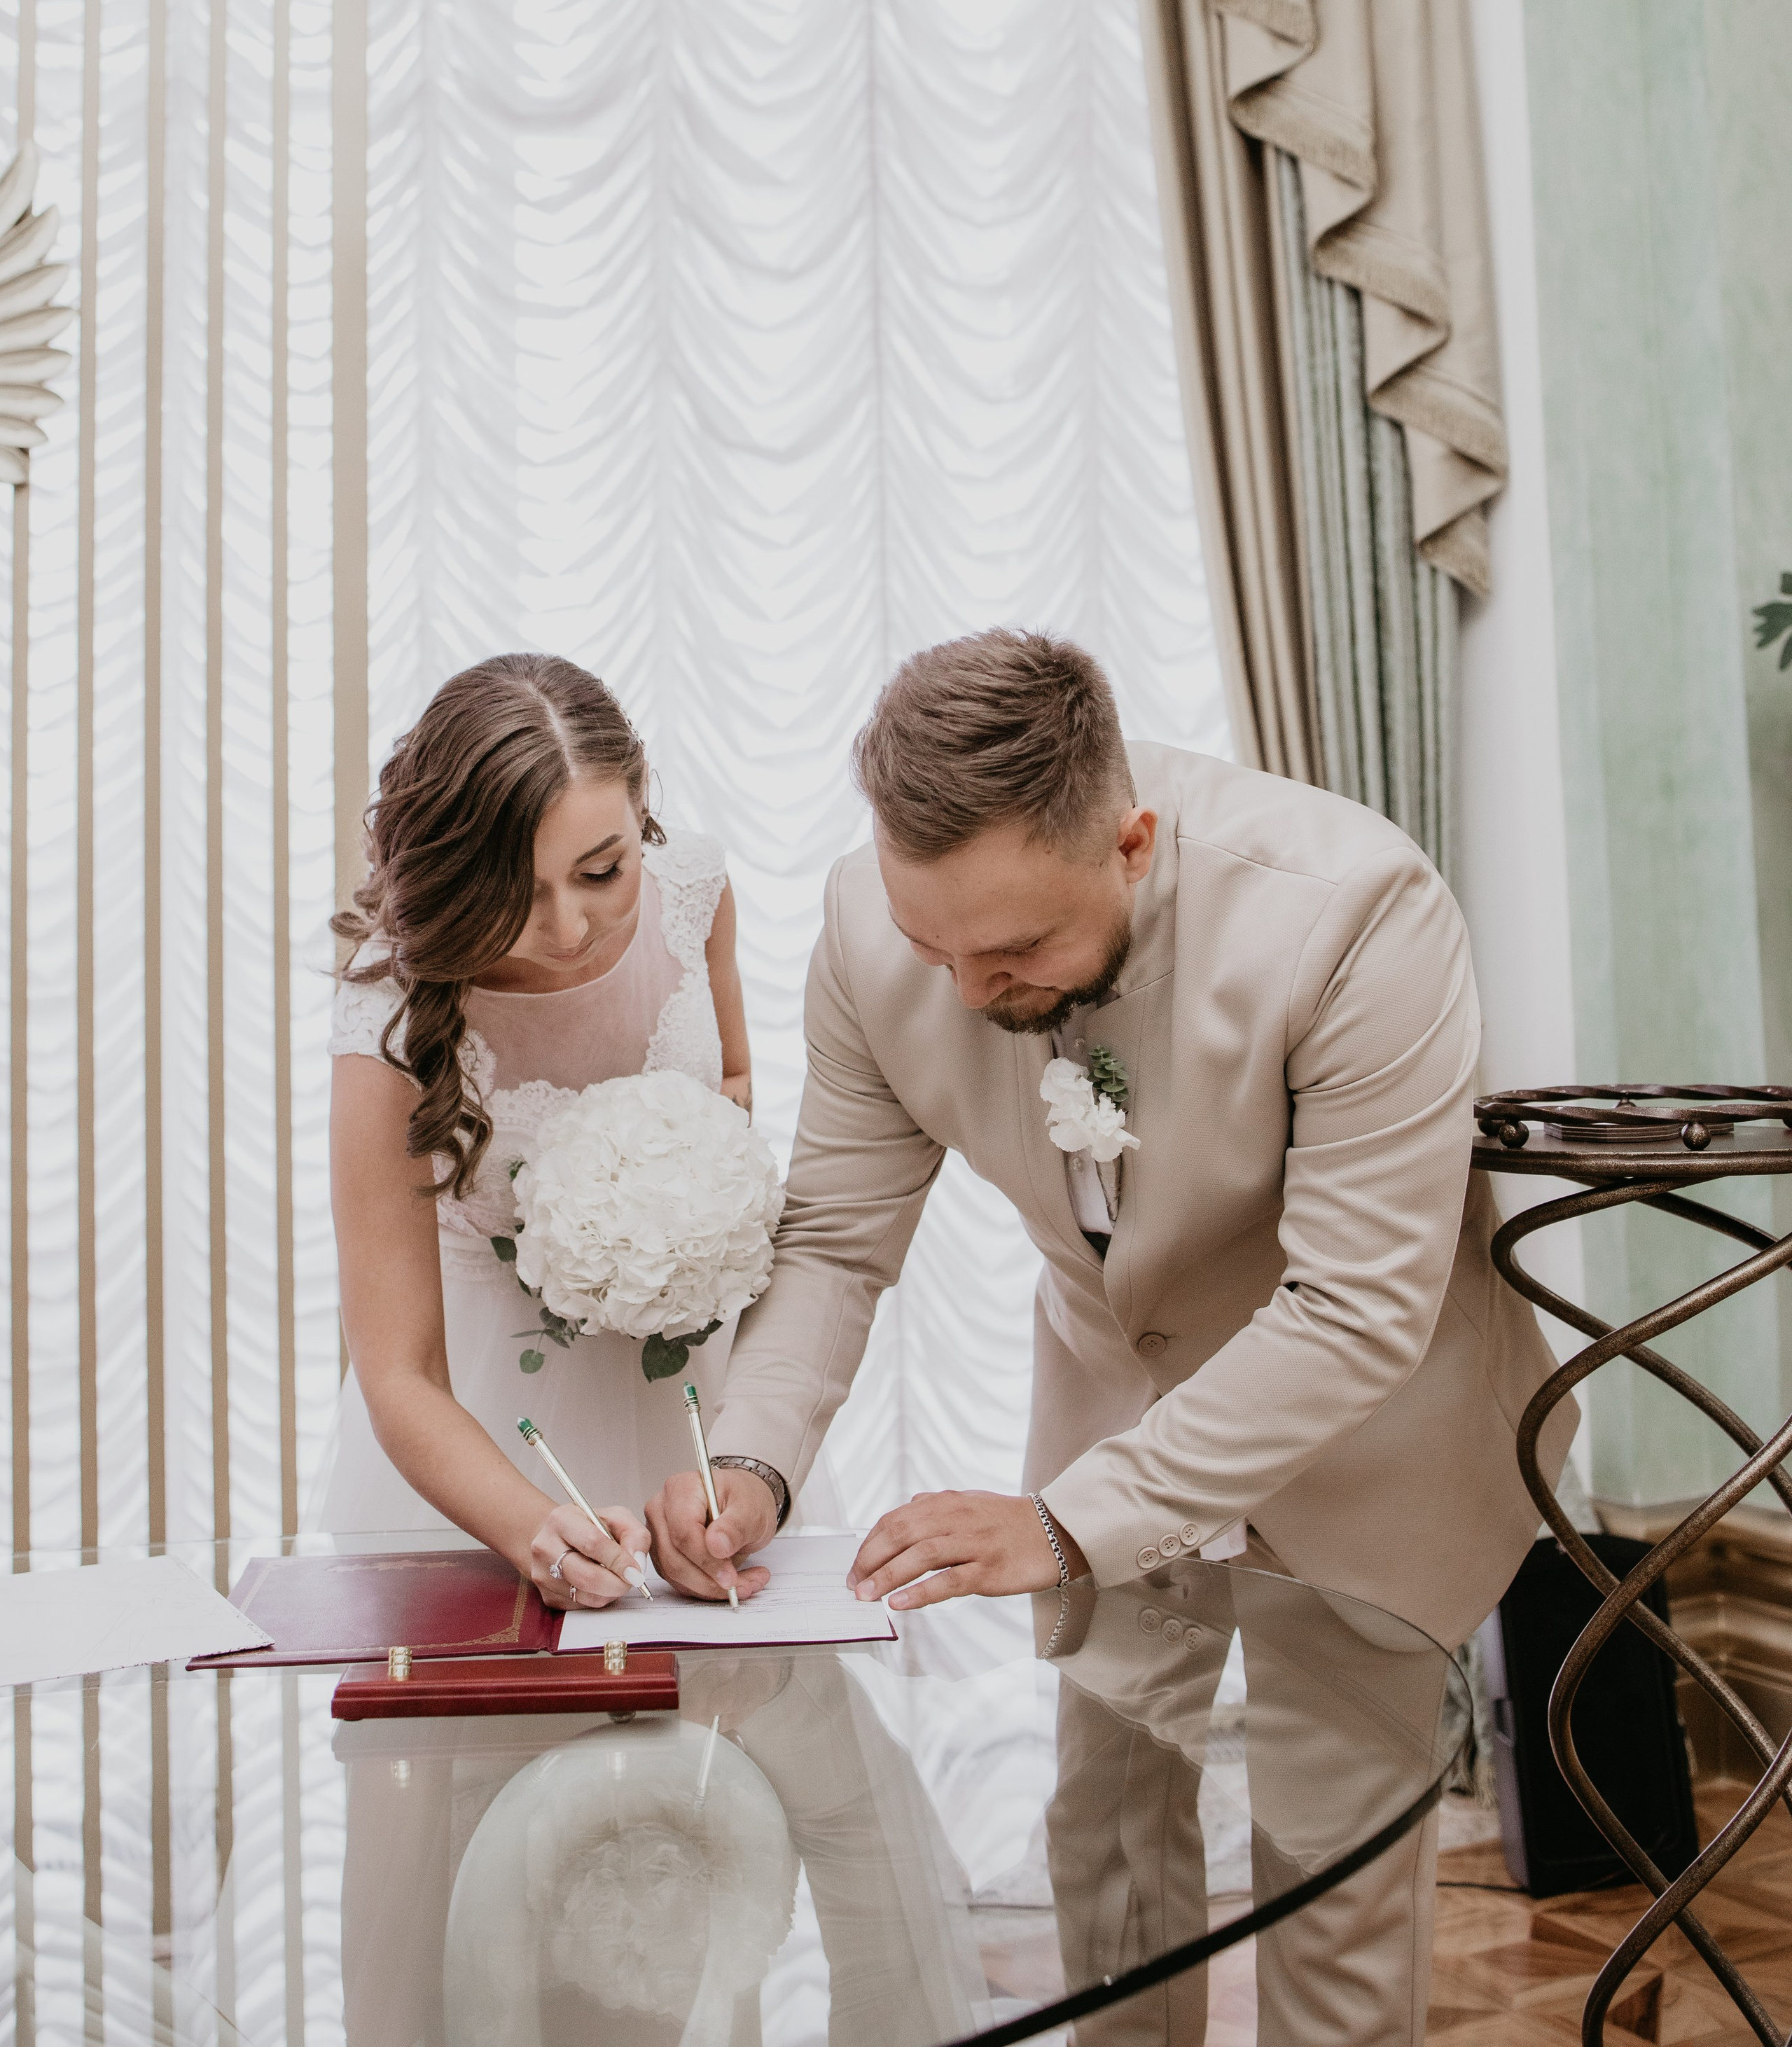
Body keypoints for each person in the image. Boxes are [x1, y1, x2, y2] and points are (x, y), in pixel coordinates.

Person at [647, 628, 1572, 2036]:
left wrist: (1067, 1522)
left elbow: (1351, 1310)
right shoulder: (867, 931)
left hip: (1371, 1433)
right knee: (1104, 1847)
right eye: (927, 941)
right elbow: (836, 1239)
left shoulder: (1356, 911)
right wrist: (757, 1463)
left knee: (1327, 1886)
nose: (961, 991)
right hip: (1108, 1401)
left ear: (1131, 842)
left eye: (1011, 950)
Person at [314, 651, 772, 1614]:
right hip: (486, 1423)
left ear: (640, 804)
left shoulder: (694, 894)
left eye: (602, 871)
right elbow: (396, 1366)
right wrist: (532, 1529)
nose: (570, 928)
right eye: (519, 892)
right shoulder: (389, 1016)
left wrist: (699, 1220)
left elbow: (731, 1081)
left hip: (691, 1391)